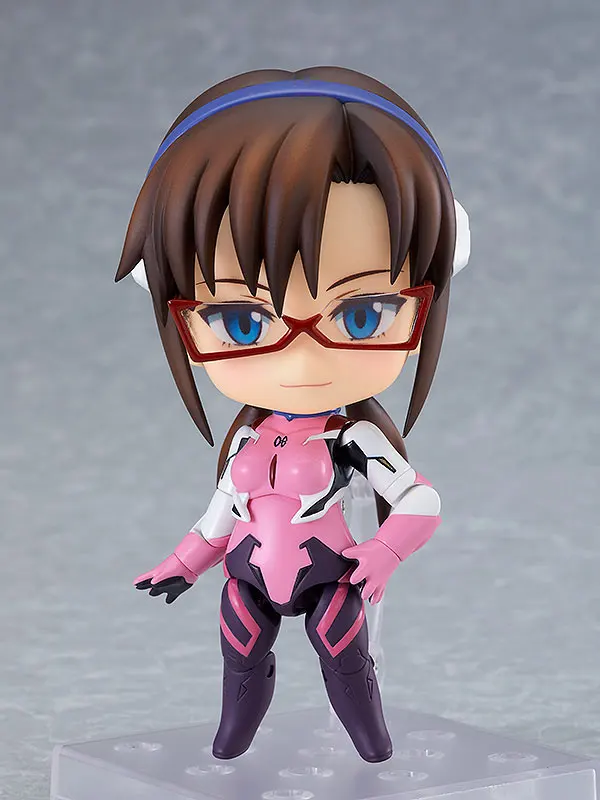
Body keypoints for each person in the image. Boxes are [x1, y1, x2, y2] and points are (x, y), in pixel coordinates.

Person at [115, 66, 470, 763]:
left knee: (345, 663)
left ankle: (373, 750)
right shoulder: (247, 439)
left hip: (332, 577)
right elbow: (219, 517)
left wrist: (383, 551)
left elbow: (421, 499)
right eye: (242, 322)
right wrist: (181, 564)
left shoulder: (352, 438)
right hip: (246, 577)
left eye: (362, 314)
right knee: (240, 661)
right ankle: (229, 749)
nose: (304, 360)